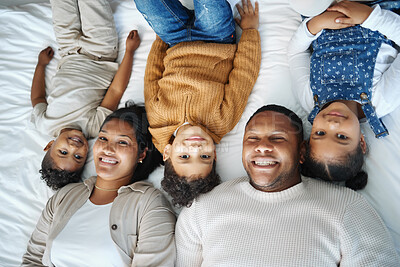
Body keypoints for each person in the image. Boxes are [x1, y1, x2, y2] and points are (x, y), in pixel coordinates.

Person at [175, 104, 400, 266]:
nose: (262, 147)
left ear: (302, 151)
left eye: (277, 138)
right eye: (252, 138)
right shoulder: (201, 208)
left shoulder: (345, 206)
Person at [133, 0, 261, 207]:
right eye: (204, 156)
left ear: (167, 152)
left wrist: (160, 39)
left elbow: (152, 77)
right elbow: (244, 76)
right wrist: (250, 31)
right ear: (215, 154)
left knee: (146, 3)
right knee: (211, 4)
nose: (195, 147)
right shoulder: (222, 121)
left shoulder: (157, 123)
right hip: (216, 39)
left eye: (184, 155)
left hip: (174, 40)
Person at [22, 105, 176, 267]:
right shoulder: (64, 196)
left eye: (122, 142)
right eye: (103, 138)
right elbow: (32, 259)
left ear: (142, 154)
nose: (107, 149)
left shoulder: (149, 204)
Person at [287, 0, 400, 189]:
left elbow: (295, 54)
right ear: (362, 142)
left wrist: (316, 24)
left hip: (324, 11)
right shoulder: (382, 100)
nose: (332, 124)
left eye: (321, 133)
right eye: (342, 137)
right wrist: (368, 17)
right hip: (375, 7)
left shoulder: (310, 99)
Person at [31, 0, 140, 190]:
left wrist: (41, 65)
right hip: (100, 50)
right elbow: (115, 90)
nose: (74, 147)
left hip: (67, 50)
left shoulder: (45, 124)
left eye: (63, 151)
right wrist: (129, 52)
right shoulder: (94, 127)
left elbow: (38, 98)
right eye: (78, 157)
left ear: (49, 145)